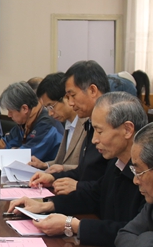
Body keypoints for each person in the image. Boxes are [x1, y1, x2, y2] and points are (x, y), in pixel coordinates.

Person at [10, 92, 146, 247]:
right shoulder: (117, 162)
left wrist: (73, 225)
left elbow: (134, 231)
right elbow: (94, 195)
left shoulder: (149, 173)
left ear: (127, 130)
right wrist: (46, 204)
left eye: (100, 131)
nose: (94, 140)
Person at [29, 61, 110, 195]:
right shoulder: (87, 124)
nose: (71, 102)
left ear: (92, 90)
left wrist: (77, 186)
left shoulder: (106, 123)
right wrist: (52, 177)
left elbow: (104, 181)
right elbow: (83, 170)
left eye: (72, 96)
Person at [0, 81, 63, 161]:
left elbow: (25, 156)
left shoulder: (46, 124)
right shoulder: (25, 122)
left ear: (24, 108)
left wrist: (15, 150)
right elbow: (4, 143)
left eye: (10, 111)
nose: (9, 115)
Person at [29, 72, 87, 172]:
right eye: (47, 108)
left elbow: (89, 168)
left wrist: (63, 168)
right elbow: (63, 162)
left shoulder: (88, 124)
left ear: (67, 97)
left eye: (51, 106)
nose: (50, 113)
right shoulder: (68, 123)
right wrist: (45, 165)